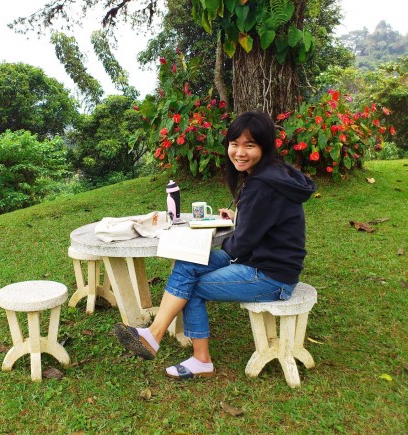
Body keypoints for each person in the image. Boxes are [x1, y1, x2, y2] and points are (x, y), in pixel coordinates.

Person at [114, 111, 317, 379]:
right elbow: (265, 221)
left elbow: (239, 246)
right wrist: (238, 217)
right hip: (258, 260)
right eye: (235, 144)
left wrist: (225, 235)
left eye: (250, 145)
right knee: (187, 263)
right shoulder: (272, 173)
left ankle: (199, 360)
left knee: (191, 287)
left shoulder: (263, 185)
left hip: (271, 275)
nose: (240, 152)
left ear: (265, 147)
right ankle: (153, 335)